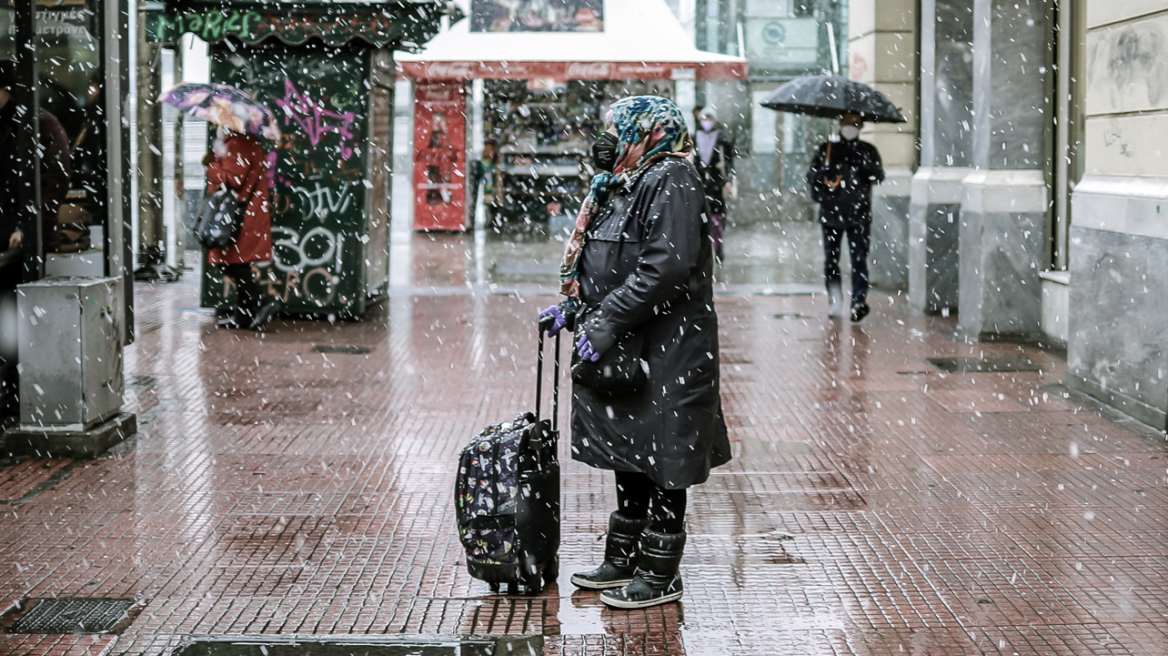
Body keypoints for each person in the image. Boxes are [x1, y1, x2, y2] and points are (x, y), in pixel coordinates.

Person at [539, 96, 731, 609]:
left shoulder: (670, 178)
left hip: (670, 346)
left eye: (614, 128)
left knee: (666, 453)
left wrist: (606, 321)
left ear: (646, 132)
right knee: (633, 449)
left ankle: (661, 571)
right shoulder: (623, 181)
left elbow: (664, 267)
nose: (605, 139)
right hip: (633, 342)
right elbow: (610, 261)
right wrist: (576, 310)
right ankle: (623, 558)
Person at [0, 60, 71, 415]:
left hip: (23, 242)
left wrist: (27, 226)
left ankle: (15, 393)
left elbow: (55, 180)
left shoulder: (38, 124)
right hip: (6, 233)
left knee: (13, 317)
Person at [807, 112, 884, 321]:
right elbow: (811, 176)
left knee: (859, 260)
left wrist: (862, 163)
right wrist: (822, 172)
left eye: (855, 123)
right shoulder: (827, 149)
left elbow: (878, 175)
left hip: (858, 214)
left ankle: (859, 301)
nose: (850, 126)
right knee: (831, 260)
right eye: (847, 122)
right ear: (840, 123)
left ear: (861, 126)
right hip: (831, 213)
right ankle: (835, 298)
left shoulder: (868, 150)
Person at [203, 125, 277, 331]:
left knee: (229, 262)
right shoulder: (242, 142)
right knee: (237, 263)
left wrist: (212, 166)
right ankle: (243, 315)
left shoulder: (239, 143)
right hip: (243, 212)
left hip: (239, 214)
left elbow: (232, 180)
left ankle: (262, 300)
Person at [692, 109, 735, 260]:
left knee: (717, 217)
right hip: (700, 183)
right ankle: (702, 247)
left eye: (709, 118)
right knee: (700, 215)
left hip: (717, 183)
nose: (707, 122)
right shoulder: (694, 138)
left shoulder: (722, 139)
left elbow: (729, 163)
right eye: (704, 118)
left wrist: (728, 180)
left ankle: (718, 246)